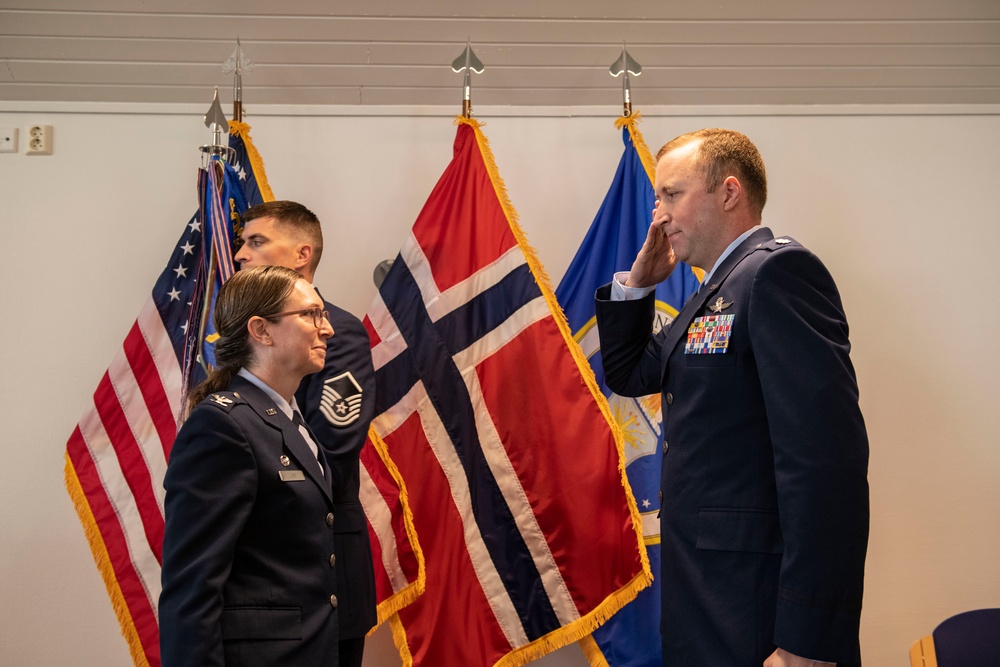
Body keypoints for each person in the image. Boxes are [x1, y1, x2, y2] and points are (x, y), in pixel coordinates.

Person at [595, 129, 869, 667]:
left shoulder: (777, 275)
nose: (659, 216)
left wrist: (806, 641)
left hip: (760, 615)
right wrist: (637, 286)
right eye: (656, 199)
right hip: (707, 599)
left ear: (728, 192)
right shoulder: (711, 294)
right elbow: (628, 372)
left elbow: (824, 468)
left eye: (671, 195)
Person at [159, 265, 339, 666]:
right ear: (261, 330)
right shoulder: (224, 425)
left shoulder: (288, 419)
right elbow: (192, 588)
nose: (326, 328)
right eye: (311, 314)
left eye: (323, 315)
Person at [234, 200, 377, 667]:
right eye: (242, 243)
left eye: (256, 242)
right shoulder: (239, 331)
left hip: (317, 556)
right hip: (252, 568)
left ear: (301, 254)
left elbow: (329, 448)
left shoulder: (337, 332)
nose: (240, 254)